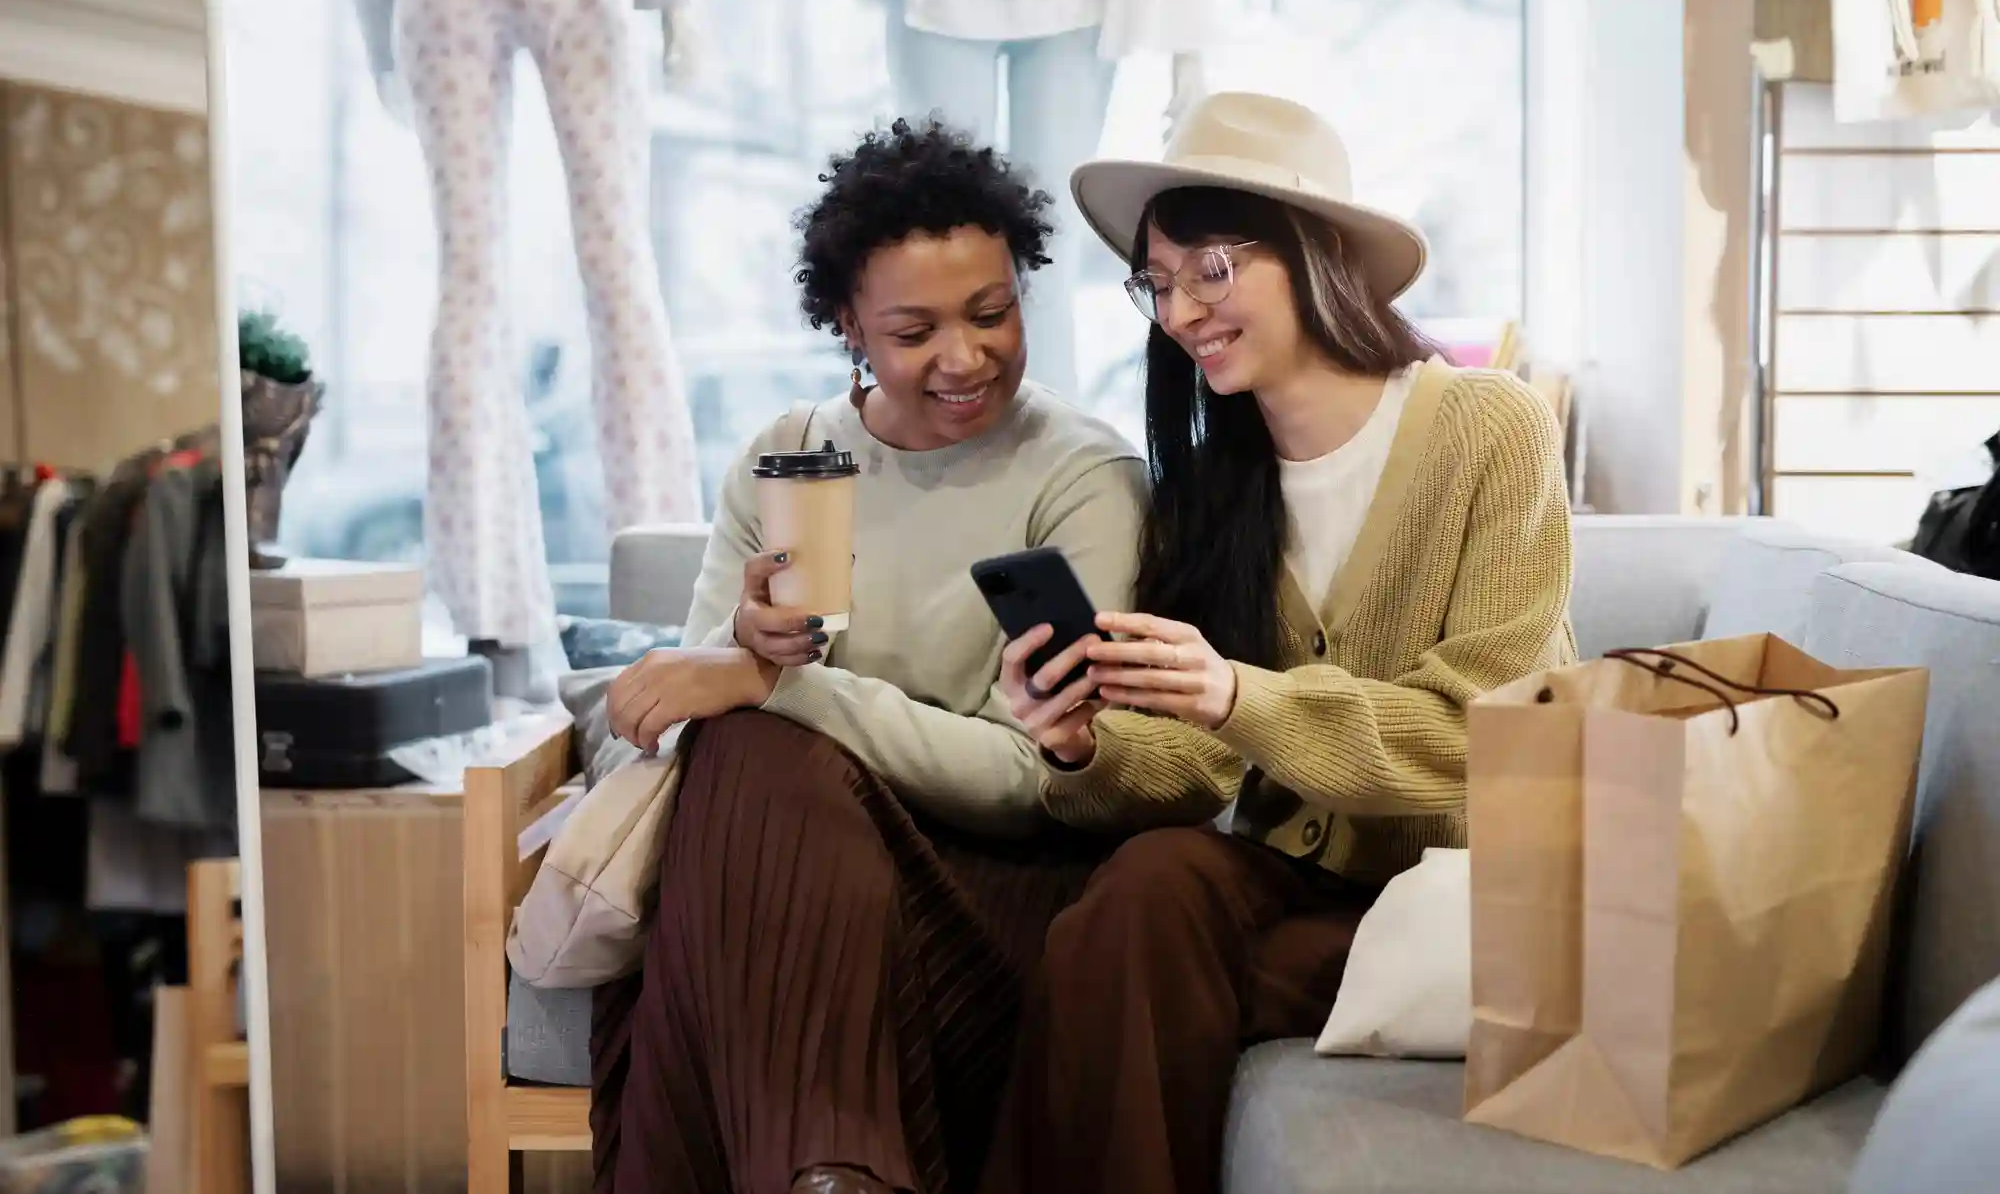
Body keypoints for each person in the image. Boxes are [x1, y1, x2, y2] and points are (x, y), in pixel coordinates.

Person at [984, 91, 1576, 1194]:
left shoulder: (1489, 427)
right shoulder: (1210, 490)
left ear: (1314, 254)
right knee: (1142, 890)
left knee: (1108, 961)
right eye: (1156, 284)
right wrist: (1079, 745)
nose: (1180, 311)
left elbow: (1487, 732)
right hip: (1298, 892)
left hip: (1468, 892)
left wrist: (1238, 697)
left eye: (1211, 268)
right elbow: (1195, 761)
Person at [588, 117, 1149, 1194]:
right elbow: (669, 734)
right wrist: (740, 665)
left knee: (758, 747)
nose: (963, 356)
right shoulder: (784, 461)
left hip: (982, 896)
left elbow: (1033, 782)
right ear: (846, 322)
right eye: (912, 329)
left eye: (991, 312)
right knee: (748, 762)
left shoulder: (1080, 477)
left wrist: (778, 688)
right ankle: (832, 1172)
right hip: (784, 896)